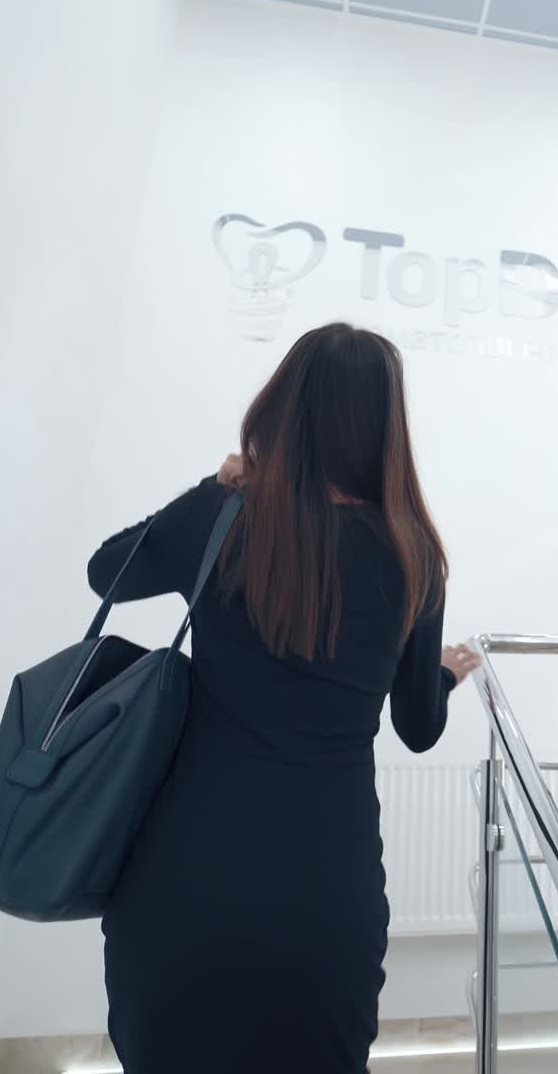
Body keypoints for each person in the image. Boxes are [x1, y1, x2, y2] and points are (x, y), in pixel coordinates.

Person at [86, 323, 480, 1074]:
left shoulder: (225, 516)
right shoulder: (415, 554)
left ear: (283, 408)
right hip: (324, 902)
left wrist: (216, 488)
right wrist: (449, 675)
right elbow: (418, 725)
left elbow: (108, 573)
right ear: (385, 426)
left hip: (182, 885)